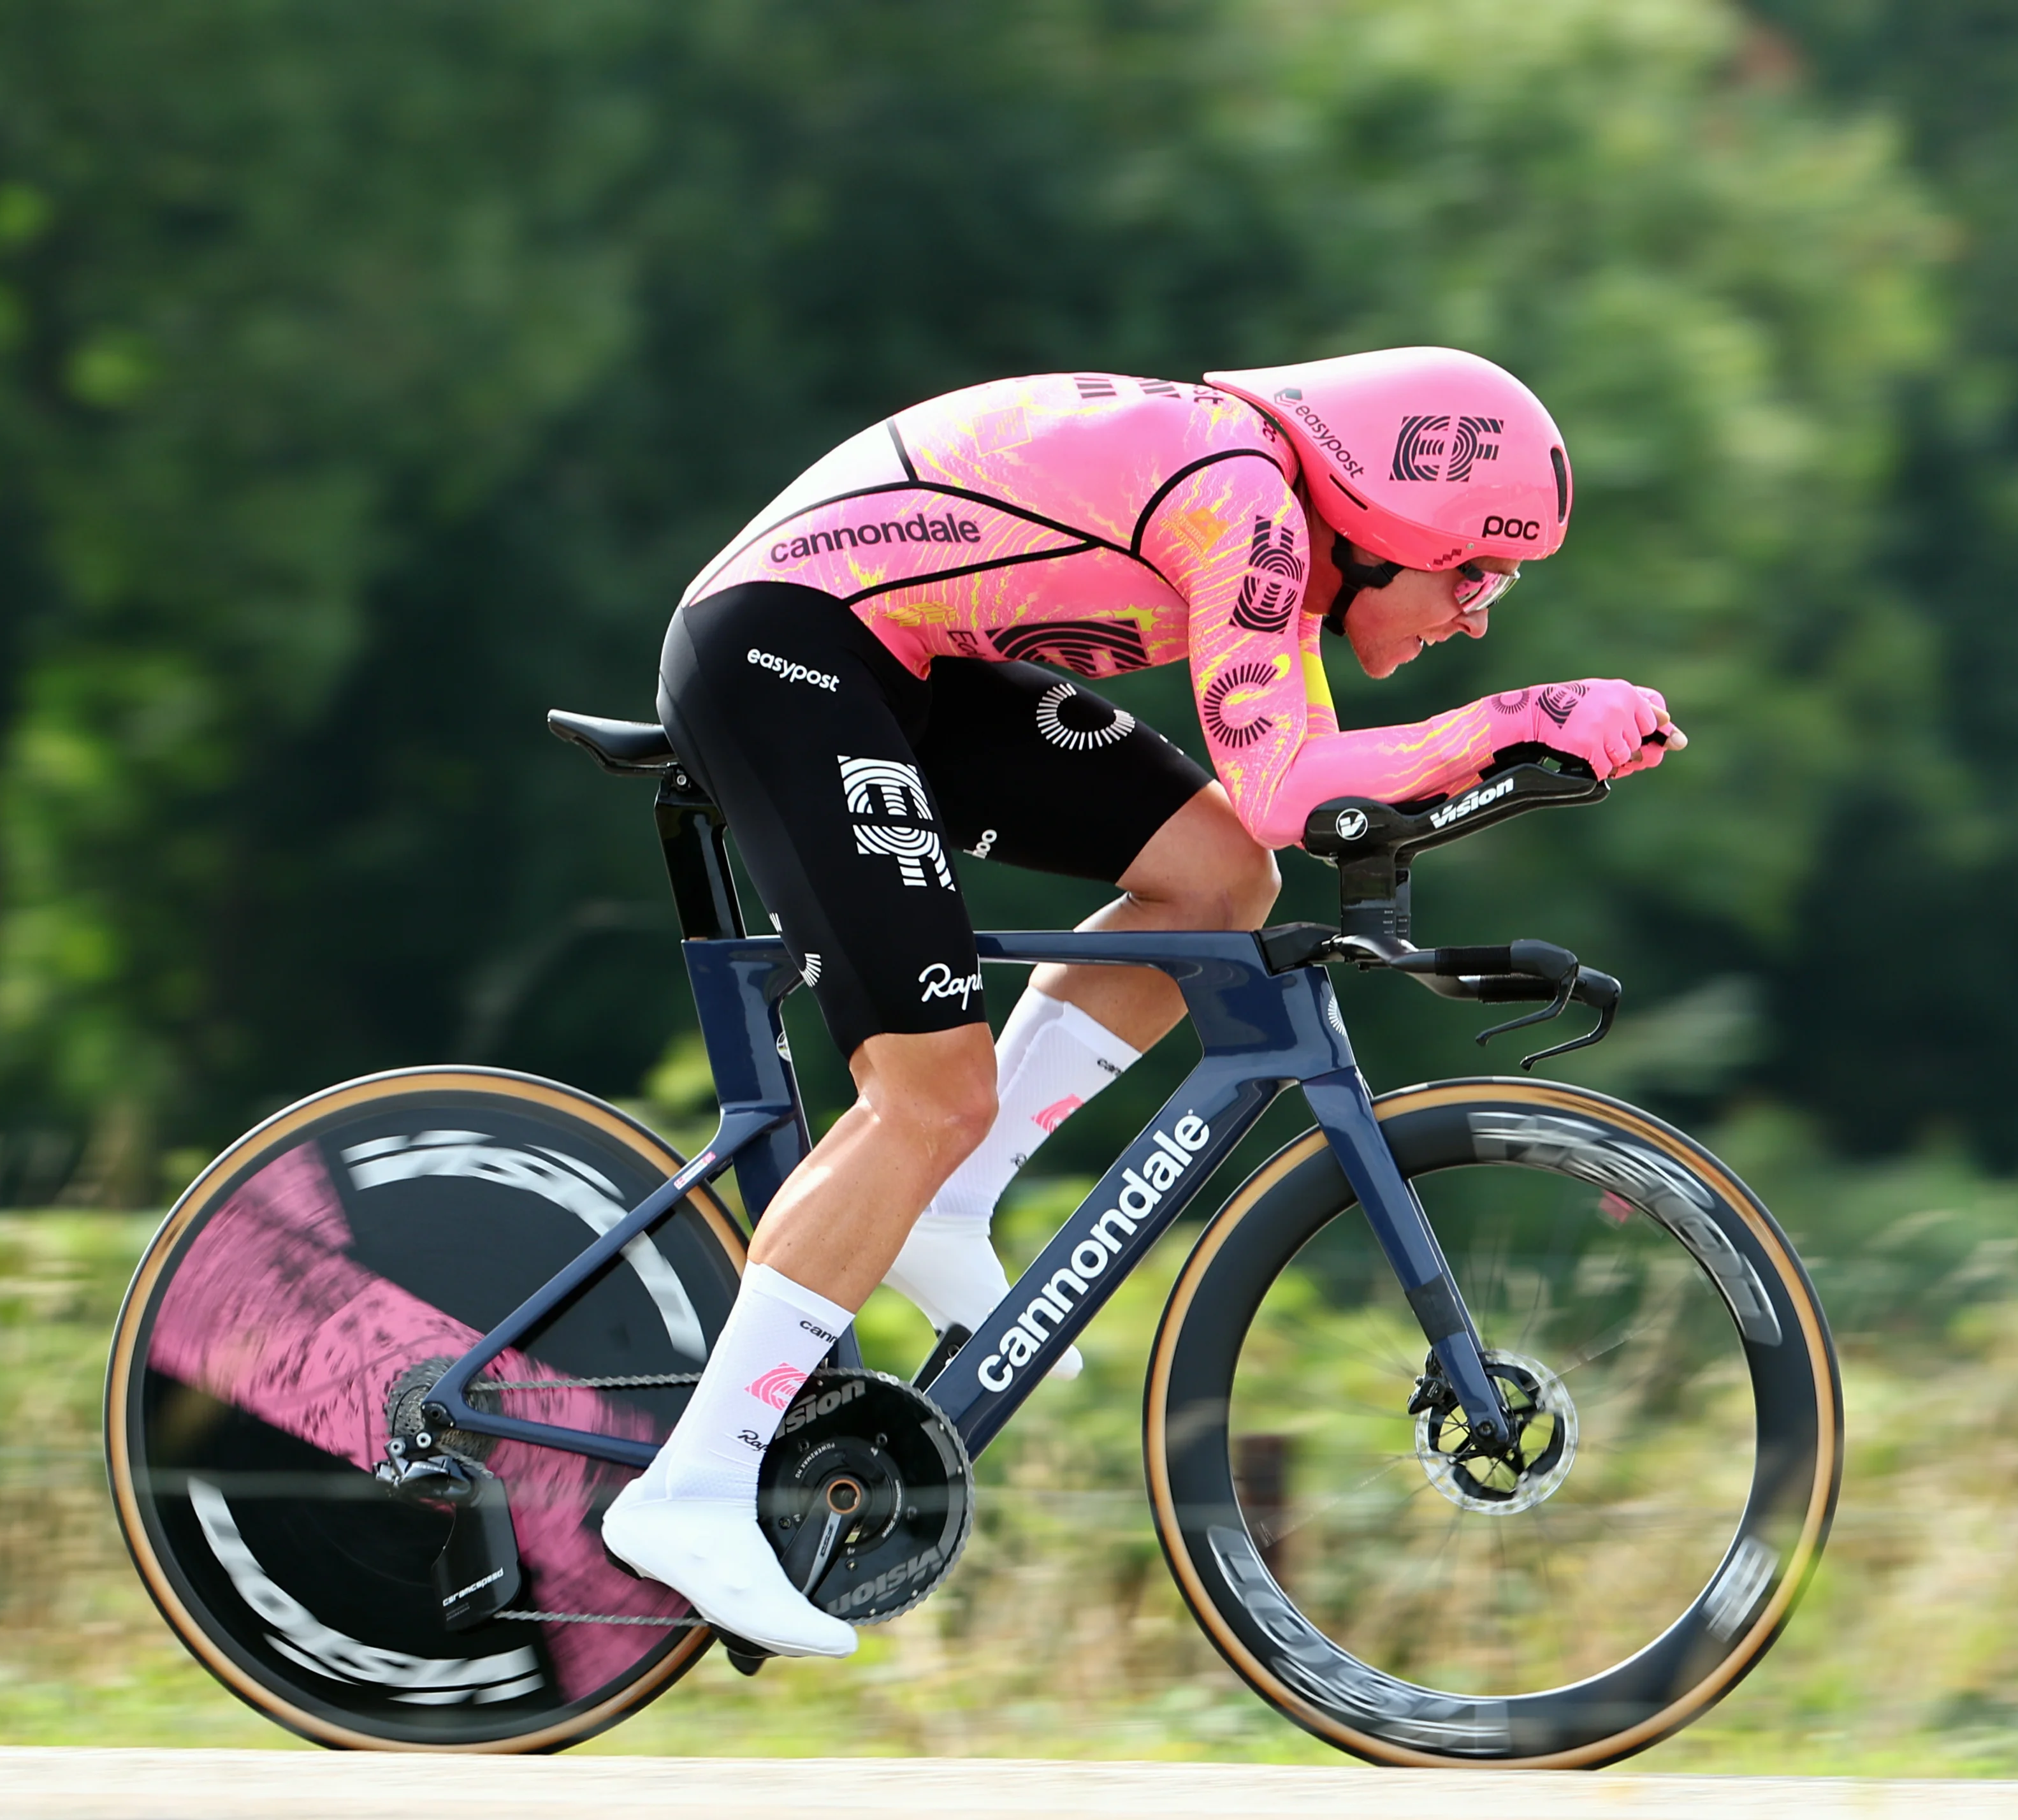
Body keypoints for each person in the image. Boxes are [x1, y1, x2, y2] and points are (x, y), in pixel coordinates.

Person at [600, 347, 1685, 1656]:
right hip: (787, 647)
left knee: (1217, 874)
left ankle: (948, 1198)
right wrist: (1518, 715)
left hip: (903, 663)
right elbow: (1292, 774)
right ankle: (696, 1486)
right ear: (1392, 527)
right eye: (1478, 571)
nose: (1481, 611)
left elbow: (1290, 805)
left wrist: (1517, 742)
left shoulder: (1271, 514)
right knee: (927, 1091)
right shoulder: (1248, 504)